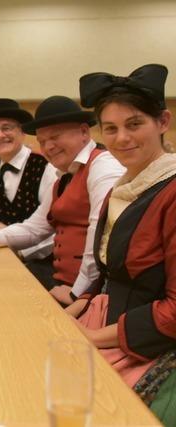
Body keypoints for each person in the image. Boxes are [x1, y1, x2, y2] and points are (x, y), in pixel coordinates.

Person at [65, 64, 176, 423]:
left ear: (162, 122)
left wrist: (93, 338)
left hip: (149, 340)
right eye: (110, 128)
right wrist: (76, 307)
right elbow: (110, 271)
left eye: (134, 124)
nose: (122, 138)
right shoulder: (124, 186)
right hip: (105, 319)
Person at [0, 96, 125, 304]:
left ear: (84, 132)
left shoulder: (103, 167)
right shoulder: (64, 177)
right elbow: (35, 228)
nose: (48, 147)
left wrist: (77, 294)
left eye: (55, 137)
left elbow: (102, 238)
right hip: (63, 283)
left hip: (90, 295)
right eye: (42, 141)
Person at [0, 98, 58, 270]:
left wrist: (21, 252)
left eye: (7, 128)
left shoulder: (46, 167)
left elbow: (52, 226)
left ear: (22, 132)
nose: (0, 135)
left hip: (41, 261)